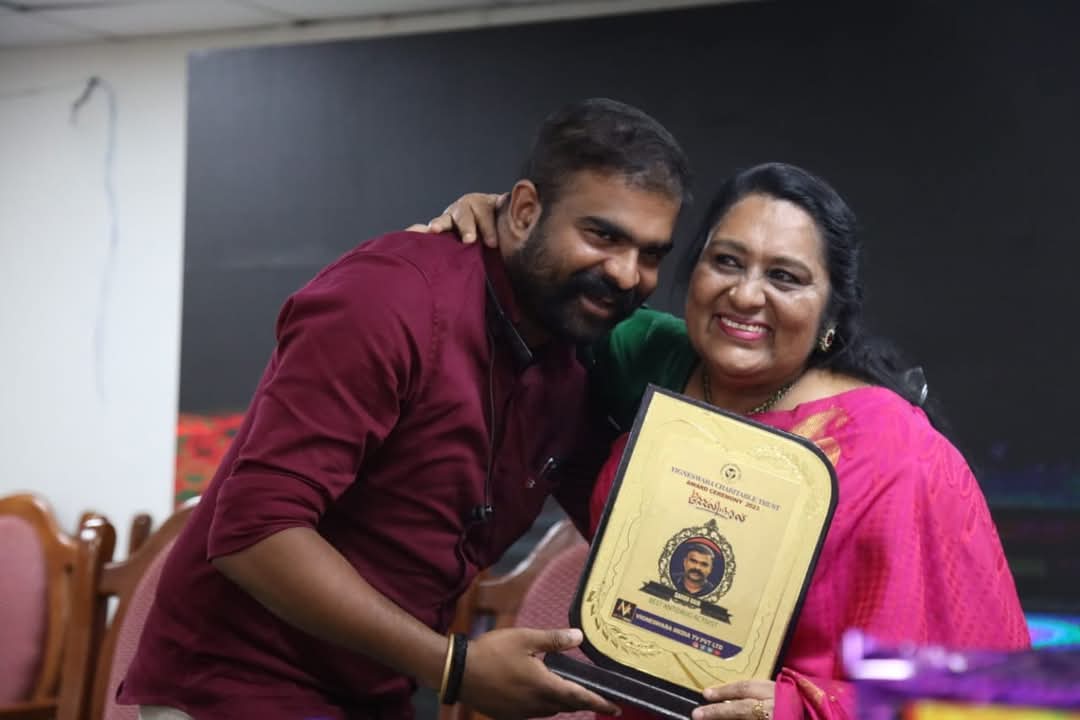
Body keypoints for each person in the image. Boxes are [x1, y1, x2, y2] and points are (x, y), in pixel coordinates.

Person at [117, 98, 690, 720]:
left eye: (651, 254)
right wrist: (455, 667)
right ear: (525, 211)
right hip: (231, 689)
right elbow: (254, 531)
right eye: (602, 235)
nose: (626, 274)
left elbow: (621, 537)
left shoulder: (573, 355)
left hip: (376, 694)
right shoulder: (392, 297)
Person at [415, 161, 1030, 720]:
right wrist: (497, 225)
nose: (745, 294)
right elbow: (540, 293)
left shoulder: (898, 453)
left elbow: (981, 695)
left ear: (832, 315)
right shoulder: (655, 361)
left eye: (785, 277)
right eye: (727, 261)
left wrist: (791, 710)